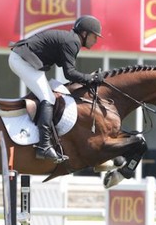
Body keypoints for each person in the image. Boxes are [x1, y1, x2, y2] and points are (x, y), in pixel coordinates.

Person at [8, 15, 105, 163]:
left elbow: (67, 70)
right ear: (84, 34)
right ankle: (44, 146)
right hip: (21, 60)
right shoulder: (72, 42)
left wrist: (88, 78)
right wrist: (91, 79)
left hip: (24, 60)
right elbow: (70, 73)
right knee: (48, 98)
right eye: (94, 36)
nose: (96, 40)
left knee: (50, 93)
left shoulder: (71, 40)